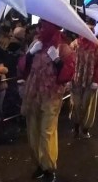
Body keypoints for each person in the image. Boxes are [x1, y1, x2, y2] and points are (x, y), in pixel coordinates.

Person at [19, 20, 75, 182]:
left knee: (47, 132)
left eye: (44, 26)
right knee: (33, 131)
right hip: (33, 95)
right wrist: (29, 55)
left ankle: (49, 167)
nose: (40, 29)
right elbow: (23, 69)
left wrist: (57, 61)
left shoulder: (63, 47)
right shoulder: (36, 44)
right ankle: (39, 164)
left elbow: (67, 74)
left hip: (51, 97)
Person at [70, 22, 98, 139]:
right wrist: (68, 78)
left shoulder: (97, 46)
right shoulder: (74, 44)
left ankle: (85, 128)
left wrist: (96, 80)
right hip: (75, 80)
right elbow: (69, 61)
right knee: (75, 104)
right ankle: (76, 126)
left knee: (88, 105)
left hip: (90, 80)